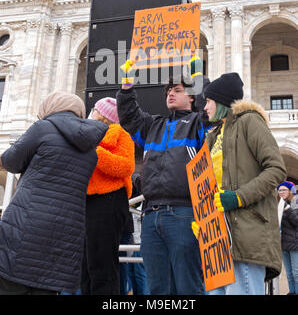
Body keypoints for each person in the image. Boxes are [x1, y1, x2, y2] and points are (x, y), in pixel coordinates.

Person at [116, 57, 211, 295]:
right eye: (168, 90)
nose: (170, 94)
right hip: (150, 215)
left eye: (177, 90)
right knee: (157, 287)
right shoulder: (153, 126)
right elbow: (129, 117)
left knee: (188, 284)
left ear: (192, 97)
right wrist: (127, 86)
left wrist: (197, 79)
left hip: (184, 213)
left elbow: (213, 113)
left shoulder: (199, 124)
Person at [0, 91, 109, 295]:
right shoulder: (91, 149)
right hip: (66, 232)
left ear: (50, 107)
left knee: (11, 282)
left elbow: (11, 161)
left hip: (27, 223)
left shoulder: (43, 128)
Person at [195, 72, 287, 295]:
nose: (205, 108)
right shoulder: (213, 135)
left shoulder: (250, 121)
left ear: (222, 101)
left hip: (246, 233)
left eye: (208, 101)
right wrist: (202, 217)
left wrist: (238, 197)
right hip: (216, 239)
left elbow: (276, 169)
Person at [81, 97, 135, 295]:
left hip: (109, 201)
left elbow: (125, 167)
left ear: (103, 115)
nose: (91, 111)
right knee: (85, 267)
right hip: (88, 202)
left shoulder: (121, 135)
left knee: (102, 265)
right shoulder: (84, 136)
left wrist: (94, 152)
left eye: (94, 109)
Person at [277, 181, 298, 295]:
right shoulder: (279, 204)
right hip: (283, 244)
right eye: (279, 190)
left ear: (291, 191)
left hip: (295, 244)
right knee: (289, 274)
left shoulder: (296, 202)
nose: (281, 192)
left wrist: (288, 209)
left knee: (296, 273)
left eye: (284, 190)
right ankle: (292, 292)